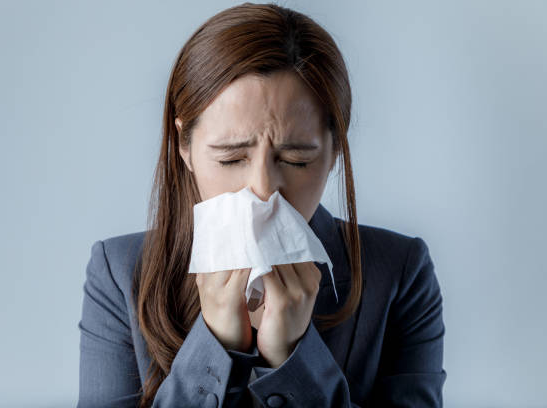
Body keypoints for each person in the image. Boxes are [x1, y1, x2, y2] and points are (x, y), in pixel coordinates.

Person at [77, 2, 447, 407]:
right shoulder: (120, 273)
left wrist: (291, 358)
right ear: (185, 146)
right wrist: (214, 344)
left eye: (296, 160)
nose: (262, 190)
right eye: (231, 159)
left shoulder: (398, 272)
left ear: (335, 149)